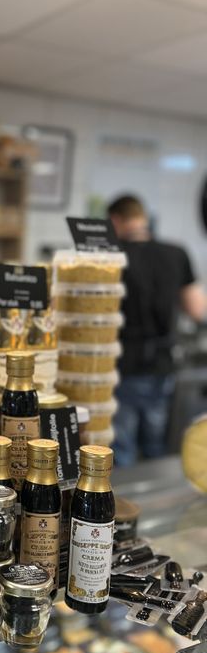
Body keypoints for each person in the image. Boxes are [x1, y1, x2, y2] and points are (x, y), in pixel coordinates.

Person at [108, 195, 206, 467]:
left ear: (115, 220)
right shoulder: (176, 252)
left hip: (122, 364)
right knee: (155, 443)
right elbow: (197, 309)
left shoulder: (110, 257)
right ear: (143, 218)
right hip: (163, 363)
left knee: (122, 447)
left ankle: (124, 494)